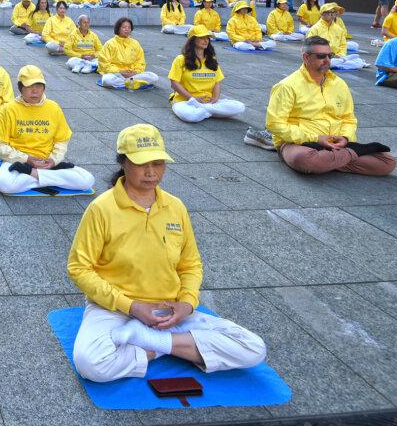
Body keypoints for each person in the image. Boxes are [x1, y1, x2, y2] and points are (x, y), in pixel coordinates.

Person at [67, 124, 267, 383]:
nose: (151, 172)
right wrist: (132, 307)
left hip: (168, 310)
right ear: (123, 162)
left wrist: (186, 303)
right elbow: (79, 268)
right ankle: (176, 347)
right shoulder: (101, 209)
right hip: (115, 309)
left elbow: (190, 264)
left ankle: (152, 342)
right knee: (92, 364)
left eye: (158, 163)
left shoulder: (175, 207)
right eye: (142, 164)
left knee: (253, 348)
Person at [266, 36, 394, 175]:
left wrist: (345, 138)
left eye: (330, 55)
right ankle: (353, 152)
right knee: (304, 159)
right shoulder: (287, 86)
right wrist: (316, 139)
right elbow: (275, 124)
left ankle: (329, 160)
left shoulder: (339, 84)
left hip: (335, 142)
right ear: (306, 57)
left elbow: (348, 118)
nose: (327, 60)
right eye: (321, 56)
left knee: (388, 162)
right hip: (300, 144)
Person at [0, 65, 94, 195]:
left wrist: (54, 160)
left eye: (39, 86)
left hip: (46, 162)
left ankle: (34, 175)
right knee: (5, 184)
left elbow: (61, 140)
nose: (35, 91)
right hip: (19, 162)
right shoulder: (8, 109)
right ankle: (51, 179)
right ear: (20, 88)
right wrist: (26, 159)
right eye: (29, 86)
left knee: (87, 180)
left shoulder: (53, 108)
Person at [167, 28, 246, 123]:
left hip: (208, 101)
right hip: (186, 101)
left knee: (240, 107)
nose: (206, 40)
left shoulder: (211, 59)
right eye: (202, 38)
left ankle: (204, 110)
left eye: (207, 38)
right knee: (191, 116)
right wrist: (192, 99)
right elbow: (174, 83)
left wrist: (215, 99)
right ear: (193, 40)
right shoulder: (181, 59)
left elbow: (217, 81)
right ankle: (210, 111)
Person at [98, 18, 159, 90]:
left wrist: (135, 71)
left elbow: (140, 62)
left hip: (133, 74)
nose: (127, 29)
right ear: (118, 29)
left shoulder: (135, 43)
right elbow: (104, 64)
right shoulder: (109, 44)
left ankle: (127, 83)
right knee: (106, 80)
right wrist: (120, 71)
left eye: (129, 27)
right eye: (124, 27)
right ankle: (132, 83)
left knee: (154, 77)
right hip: (116, 74)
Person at [307, 3, 366, 69]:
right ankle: (344, 62)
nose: (332, 15)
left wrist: (340, 55)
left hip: (337, 57)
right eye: (330, 12)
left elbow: (343, 45)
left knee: (355, 57)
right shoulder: (315, 28)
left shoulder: (338, 29)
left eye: (334, 13)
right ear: (323, 14)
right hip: (321, 57)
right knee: (329, 63)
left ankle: (342, 61)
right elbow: (310, 46)